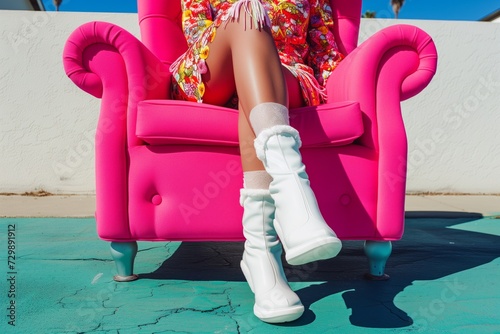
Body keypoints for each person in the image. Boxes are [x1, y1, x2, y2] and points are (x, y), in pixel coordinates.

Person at [170, 0, 344, 323]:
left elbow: (326, 53)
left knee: (258, 87)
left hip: (285, 74)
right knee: (247, 11)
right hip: (213, 69)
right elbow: (195, 32)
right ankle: (294, 194)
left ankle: (262, 253)